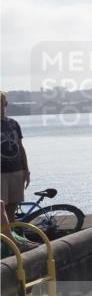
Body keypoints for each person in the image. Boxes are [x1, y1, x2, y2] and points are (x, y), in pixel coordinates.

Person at [1, 91, 30, 227]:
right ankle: (5, 241)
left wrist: (26, 170)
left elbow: (20, 147)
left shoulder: (14, 124)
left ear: (5, 104)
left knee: (12, 207)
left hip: (16, 171)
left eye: (1, 103)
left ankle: (13, 240)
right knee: (1, 209)